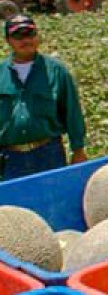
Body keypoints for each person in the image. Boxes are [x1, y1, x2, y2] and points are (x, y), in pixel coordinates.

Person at [0, 15, 87, 180]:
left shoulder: (56, 71)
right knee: (14, 205)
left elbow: (72, 113)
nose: (26, 40)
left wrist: (78, 151)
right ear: (8, 40)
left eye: (30, 34)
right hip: (11, 159)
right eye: (19, 35)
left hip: (49, 153)